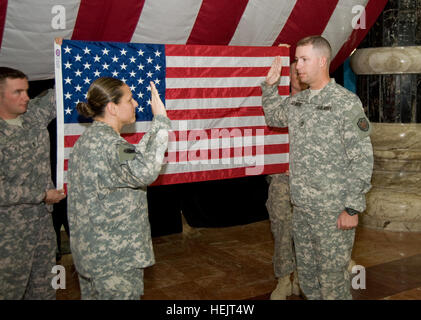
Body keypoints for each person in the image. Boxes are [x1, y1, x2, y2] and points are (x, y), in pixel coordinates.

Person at [261, 36, 373, 300]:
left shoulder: (346, 103)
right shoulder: (299, 102)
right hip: (302, 210)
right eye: (297, 60)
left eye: (303, 60)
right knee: (309, 283)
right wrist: (269, 86)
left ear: (322, 61)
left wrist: (352, 207)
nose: (297, 66)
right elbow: (273, 115)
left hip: (333, 212)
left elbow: (362, 158)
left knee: (332, 285)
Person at [67, 77, 170, 300]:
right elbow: (144, 169)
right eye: (130, 99)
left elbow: (134, 157)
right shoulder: (112, 146)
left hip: (92, 257)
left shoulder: (88, 141)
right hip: (114, 262)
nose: (136, 105)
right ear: (112, 108)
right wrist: (161, 121)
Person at [0, 67, 66, 299]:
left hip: (41, 227)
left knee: (45, 292)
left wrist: (63, 56)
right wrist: (41, 194)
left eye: (26, 91)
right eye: (17, 92)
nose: (26, 97)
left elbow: (60, 93)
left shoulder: (32, 117)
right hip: (8, 235)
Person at [266, 61, 307, 300]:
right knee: (281, 227)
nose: (296, 75)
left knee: (305, 230)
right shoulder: (279, 107)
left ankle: (302, 275)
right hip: (281, 179)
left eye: (300, 70)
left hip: (309, 180)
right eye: (291, 71)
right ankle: (283, 279)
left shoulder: (317, 105)